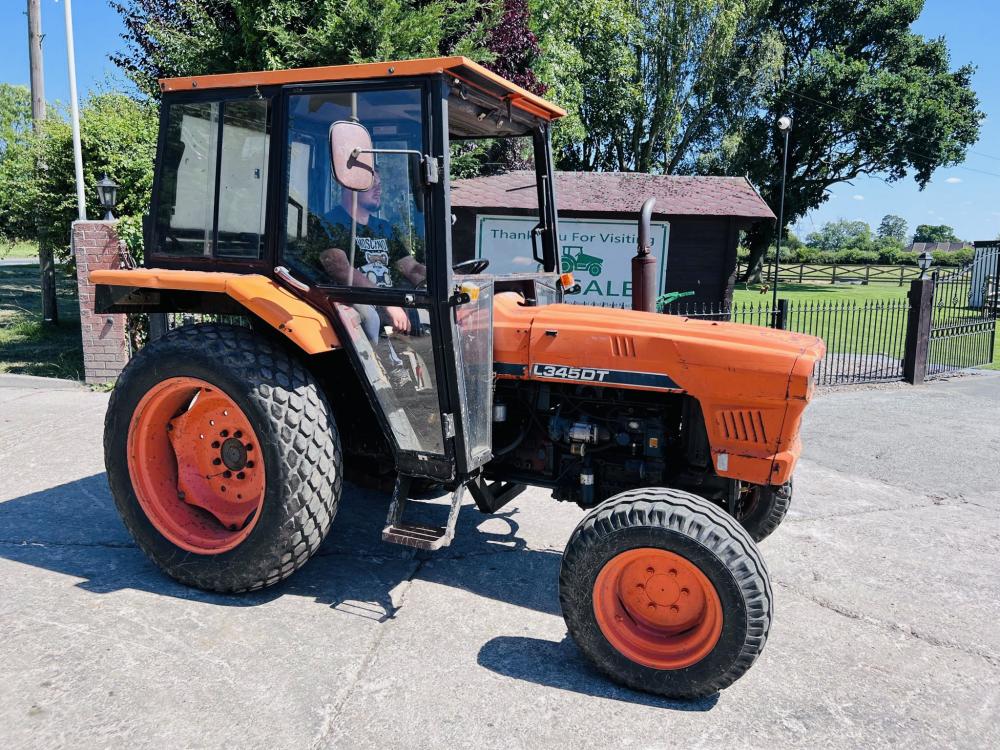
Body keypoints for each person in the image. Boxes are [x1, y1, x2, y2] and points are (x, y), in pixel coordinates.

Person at [315, 167, 426, 341]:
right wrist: (386, 302)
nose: (379, 189)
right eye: (371, 184)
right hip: (358, 303)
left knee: (425, 313)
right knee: (368, 317)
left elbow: (412, 269)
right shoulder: (330, 223)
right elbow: (340, 268)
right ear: (350, 187)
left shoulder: (384, 228)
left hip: (387, 305)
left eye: (380, 184)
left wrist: (445, 282)